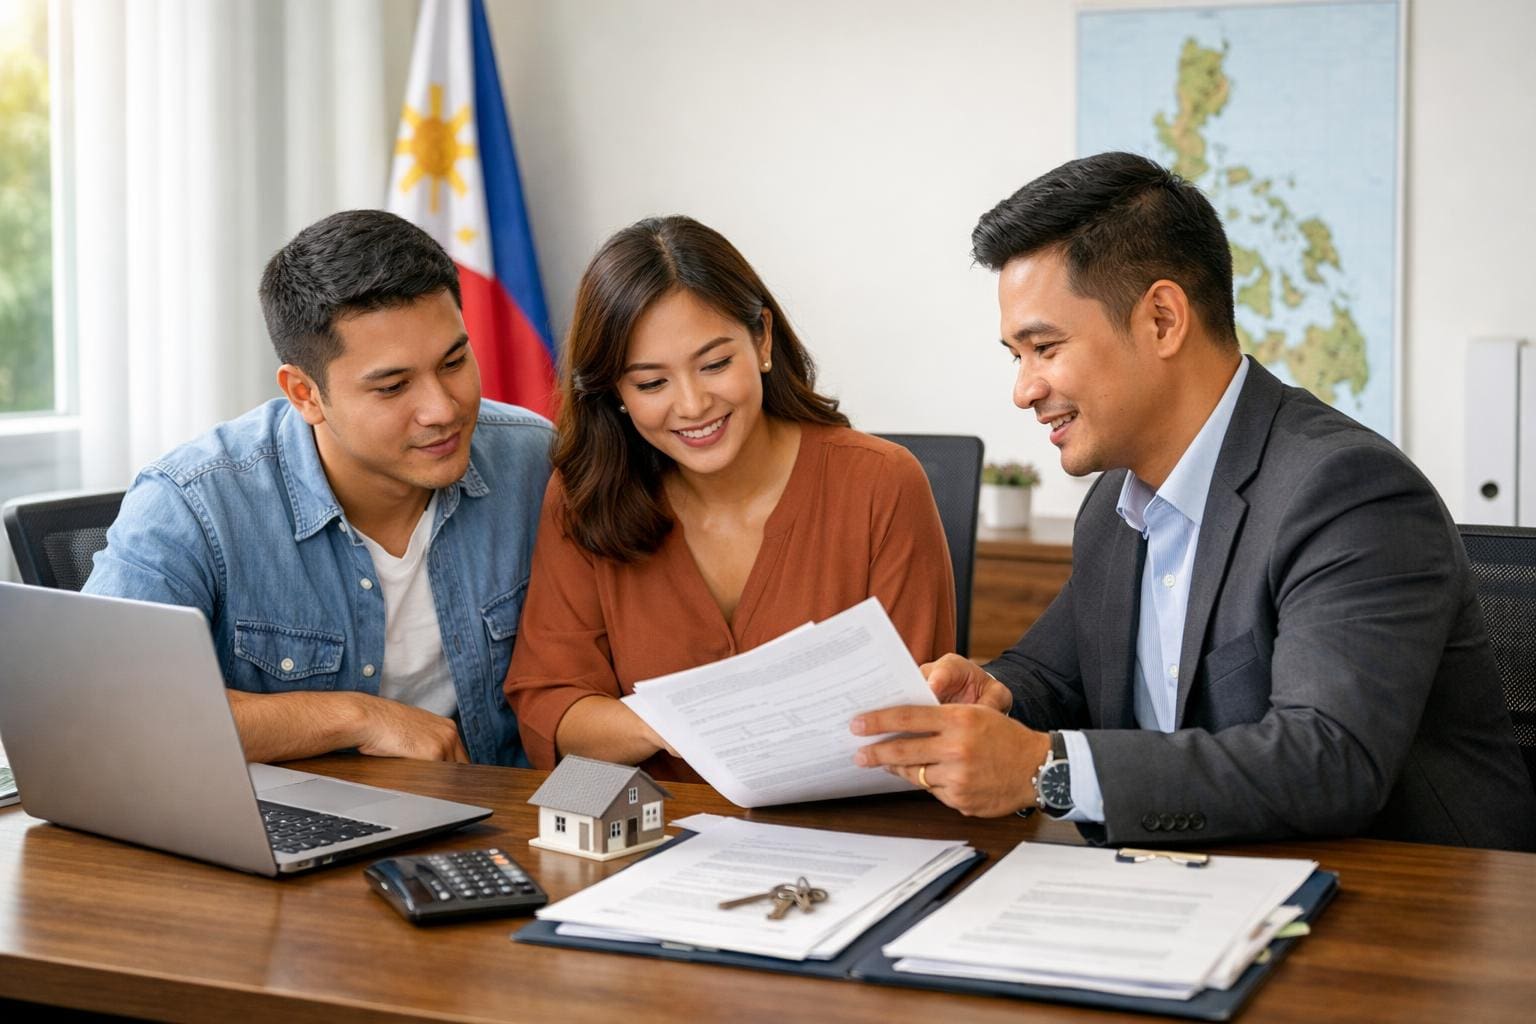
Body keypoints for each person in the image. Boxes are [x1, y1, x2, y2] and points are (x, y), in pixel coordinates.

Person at [853, 152, 1536, 850]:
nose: (1024, 389)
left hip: (1413, 904)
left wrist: (1044, 770)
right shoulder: (1116, 499)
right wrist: (994, 692)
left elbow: (1328, 759)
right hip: (1204, 885)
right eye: (1015, 356)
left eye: (1045, 348)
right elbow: (1053, 672)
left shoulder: (1348, 492)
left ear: (1161, 319)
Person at [84, 210, 553, 766]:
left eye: (454, 361)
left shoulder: (535, 463)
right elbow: (105, 707)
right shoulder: (192, 503)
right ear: (304, 393)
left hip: (491, 824)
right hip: (279, 833)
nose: (442, 409)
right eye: (393, 386)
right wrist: (355, 717)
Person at [505, 215, 955, 781]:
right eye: (651, 383)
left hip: (851, 835)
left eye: (715, 364)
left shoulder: (882, 484)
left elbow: (916, 714)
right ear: (613, 391)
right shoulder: (584, 497)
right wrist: (676, 724)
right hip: (657, 842)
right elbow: (552, 706)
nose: (692, 405)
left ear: (762, 339)